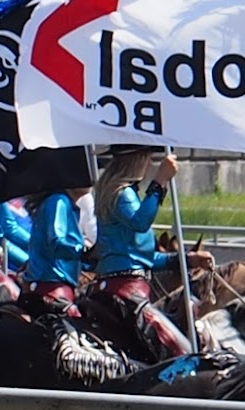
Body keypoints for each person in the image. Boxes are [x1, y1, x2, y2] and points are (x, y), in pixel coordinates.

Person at [85, 148, 202, 362]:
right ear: (137, 160)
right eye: (148, 158)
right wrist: (160, 180)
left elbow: (142, 259)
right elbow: (141, 222)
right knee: (183, 352)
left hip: (114, 285)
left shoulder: (114, 194)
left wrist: (184, 260)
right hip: (128, 292)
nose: (149, 164)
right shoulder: (123, 194)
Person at [20, 188, 88, 318]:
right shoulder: (59, 201)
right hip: (52, 292)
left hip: (46, 289)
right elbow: (56, 243)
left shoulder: (59, 201)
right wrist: (85, 252)